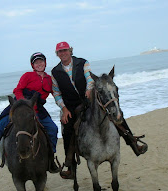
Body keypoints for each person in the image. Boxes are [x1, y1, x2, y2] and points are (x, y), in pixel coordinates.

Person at [51, 41, 148, 179]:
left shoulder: (82, 62)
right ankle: (70, 166)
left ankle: (133, 143)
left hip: (88, 100)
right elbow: (56, 93)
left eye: (65, 50)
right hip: (71, 106)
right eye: (60, 51)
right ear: (57, 54)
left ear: (70, 51)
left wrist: (89, 90)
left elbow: (89, 79)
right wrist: (64, 109)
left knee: (115, 115)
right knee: (67, 129)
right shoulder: (55, 72)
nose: (63, 53)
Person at [0, 52, 60, 173]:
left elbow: (56, 94)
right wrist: (24, 105)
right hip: (20, 107)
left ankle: (50, 157)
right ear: (33, 65)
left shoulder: (49, 79)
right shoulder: (27, 75)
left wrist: (65, 106)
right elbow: (17, 90)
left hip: (38, 109)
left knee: (53, 129)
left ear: (45, 63)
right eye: (36, 62)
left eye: (41, 61)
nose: (39, 64)